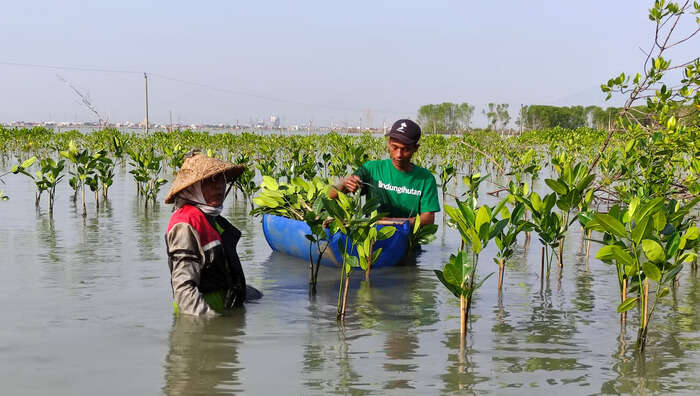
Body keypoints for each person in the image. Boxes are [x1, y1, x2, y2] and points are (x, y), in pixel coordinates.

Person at [164, 153, 260, 316]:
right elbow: (184, 290)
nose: (218, 186)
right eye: (209, 180)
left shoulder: (213, 220)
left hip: (224, 310)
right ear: (192, 188)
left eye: (220, 179)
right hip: (200, 321)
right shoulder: (185, 224)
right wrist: (212, 328)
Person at [330, 119, 440, 226]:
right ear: (389, 143)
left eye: (405, 149)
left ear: (415, 148)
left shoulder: (426, 178)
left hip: (408, 241)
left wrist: (389, 222)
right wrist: (344, 183)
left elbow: (428, 219)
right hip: (373, 239)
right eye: (394, 147)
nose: (398, 155)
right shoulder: (371, 169)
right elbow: (330, 195)